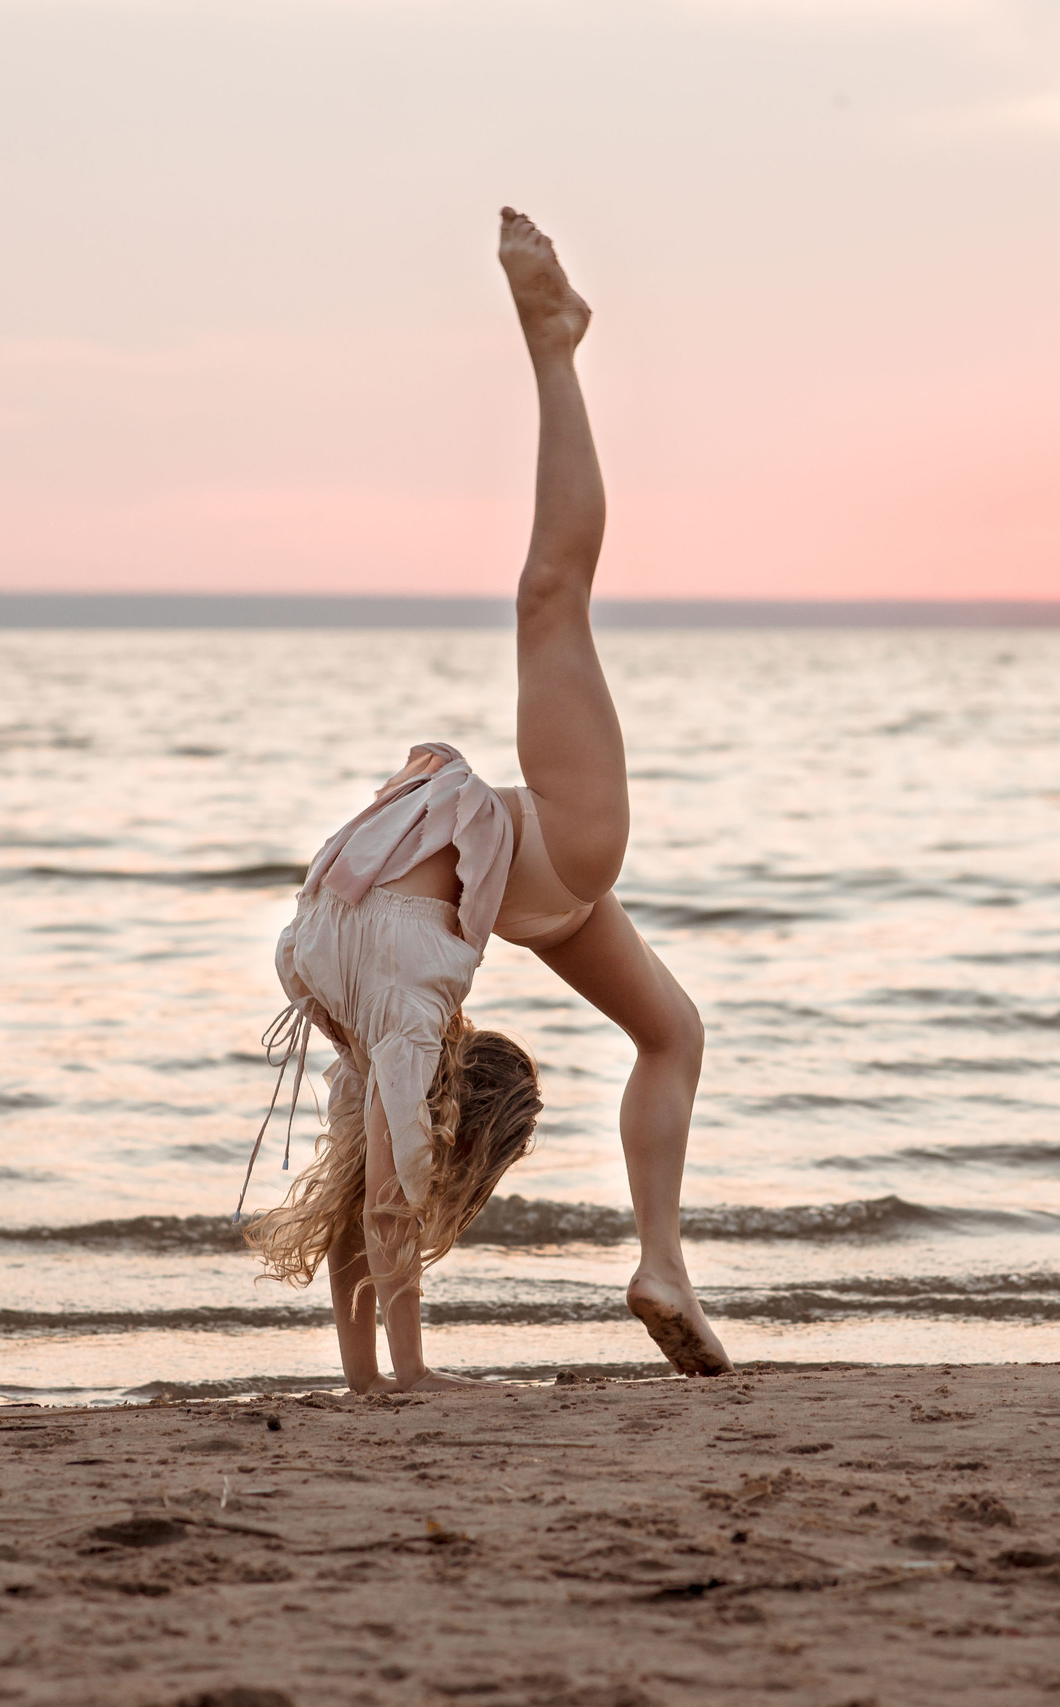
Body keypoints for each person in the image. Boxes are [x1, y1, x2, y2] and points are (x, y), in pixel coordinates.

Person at [241, 208, 730, 1392]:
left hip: (527, 884)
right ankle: (553, 346)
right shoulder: (388, 1001)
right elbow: (388, 1200)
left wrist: (374, 1385)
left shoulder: (365, 1010)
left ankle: (666, 1269)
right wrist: (408, 1384)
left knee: (671, 1031)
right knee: (547, 595)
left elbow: (368, 1193)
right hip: (548, 848)